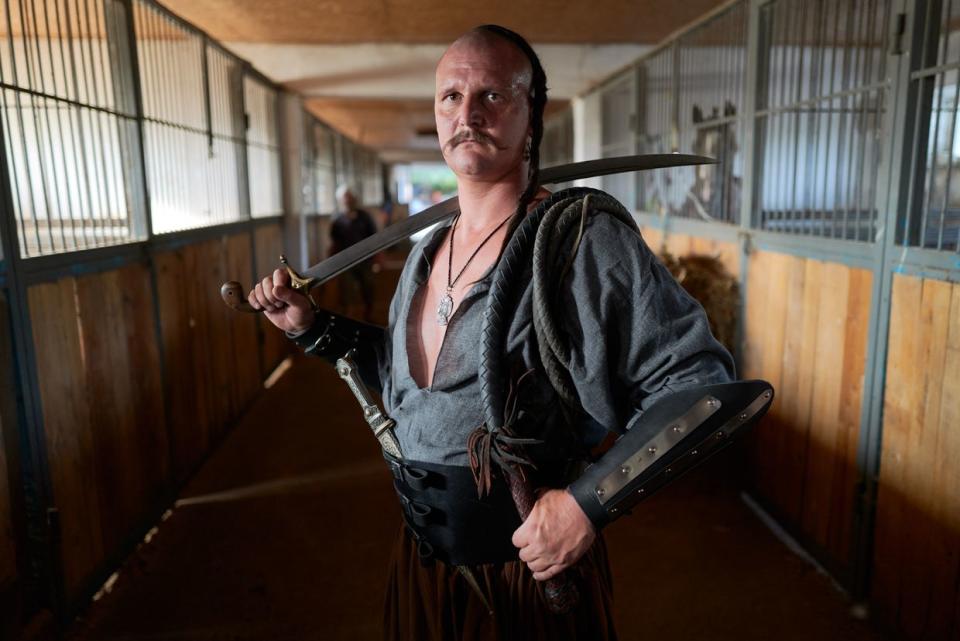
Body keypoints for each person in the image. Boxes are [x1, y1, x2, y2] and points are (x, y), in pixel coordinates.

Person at [248, 25, 734, 640]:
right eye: (451, 96)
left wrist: (587, 502)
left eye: (493, 95)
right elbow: (419, 397)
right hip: (424, 571)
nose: (468, 113)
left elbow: (702, 387)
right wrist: (314, 329)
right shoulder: (426, 252)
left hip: (525, 584)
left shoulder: (578, 241)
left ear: (532, 115)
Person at [330, 184, 378, 321]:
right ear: (340, 200)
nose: (347, 201)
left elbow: (373, 236)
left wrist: (376, 256)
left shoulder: (364, 217)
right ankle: (349, 317)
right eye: (345, 198)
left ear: (354, 199)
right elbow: (334, 241)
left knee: (368, 288)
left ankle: (369, 315)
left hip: (365, 260)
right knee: (347, 291)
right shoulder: (337, 219)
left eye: (350, 198)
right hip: (345, 263)